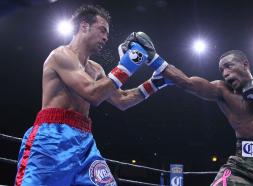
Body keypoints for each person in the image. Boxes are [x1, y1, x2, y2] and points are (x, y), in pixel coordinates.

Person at [15, 5, 168, 186]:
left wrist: (155, 83)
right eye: (102, 30)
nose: (105, 38)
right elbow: (93, 94)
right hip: (52, 138)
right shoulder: (60, 55)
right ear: (84, 26)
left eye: (107, 34)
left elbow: (122, 100)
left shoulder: (96, 69)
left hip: (84, 141)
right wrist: (128, 64)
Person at [126, 34, 253, 185]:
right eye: (221, 70)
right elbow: (187, 82)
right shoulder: (222, 90)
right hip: (243, 163)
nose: (225, 73)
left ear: (245, 64)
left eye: (229, 66)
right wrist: (153, 59)